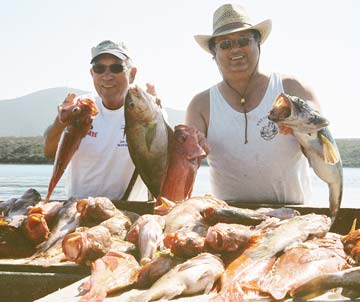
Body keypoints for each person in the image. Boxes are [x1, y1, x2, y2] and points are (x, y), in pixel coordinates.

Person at [186, 3, 321, 204]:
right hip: (225, 223)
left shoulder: (293, 89)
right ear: (213, 53)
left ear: (258, 44)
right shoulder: (200, 105)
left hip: (293, 217)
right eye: (225, 44)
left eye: (243, 40)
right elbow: (184, 164)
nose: (236, 49)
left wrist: (305, 130)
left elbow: (323, 144)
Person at [43, 40, 148, 201]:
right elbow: (49, 152)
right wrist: (61, 121)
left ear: (132, 74)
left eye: (116, 68)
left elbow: (163, 161)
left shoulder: (146, 109)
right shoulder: (80, 107)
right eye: (99, 68)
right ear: (92, 74)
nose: (107, 75)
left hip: (131, 212)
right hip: (78, 209)